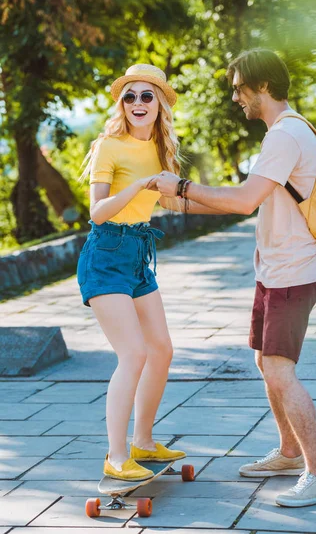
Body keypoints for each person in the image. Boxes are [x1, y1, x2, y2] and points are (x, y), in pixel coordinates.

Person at [153, 49, 316, 508]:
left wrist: (179, 186)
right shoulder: (284, 132)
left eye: (239, 87)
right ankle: (290, 453)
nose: (235, 96)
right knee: (265, 363)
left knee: (280, 370)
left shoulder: (285, 135)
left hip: (293, 271)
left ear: (263, 87)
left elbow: (243, 200)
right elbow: (246, 200)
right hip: (277, 269)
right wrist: (176, 204)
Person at [77, 64, 188, 481]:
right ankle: (116, 455)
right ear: (121, 104)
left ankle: (143, 441)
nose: (138, 103)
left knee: (161, 349)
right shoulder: (110, 145)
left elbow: (175, 202)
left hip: (138, 252)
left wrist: (242, 201)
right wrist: (140, 185)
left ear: (160, 103)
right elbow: (97, 212)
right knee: (133, 353)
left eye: (147, 96)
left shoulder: (161, 150)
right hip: (105, 253)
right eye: (130, 96)